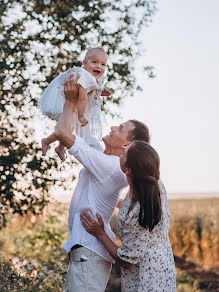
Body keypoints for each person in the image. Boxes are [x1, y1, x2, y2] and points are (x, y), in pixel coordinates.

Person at [54, 78, 151, 292]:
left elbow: (63, 132)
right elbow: (79, 125)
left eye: (121, 128)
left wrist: (70, 101)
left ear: (126, 145)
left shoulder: (109, 166)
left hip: (89, 252)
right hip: (87, 252)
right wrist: (88, 96)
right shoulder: (100, 154)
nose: (113, 126)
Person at [80, 141, 176, 291]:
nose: (123, 146)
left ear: (128, 170)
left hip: (146, 281)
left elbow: (126, 260)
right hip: (162, 270)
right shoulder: (154, 185)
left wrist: (100, 233)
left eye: (126, 152)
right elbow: (130, 205)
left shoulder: (139, 214)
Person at [38, 47, 110, 161]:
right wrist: (81, 116)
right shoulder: (85, 76)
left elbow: (89, 90)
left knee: (70, 127)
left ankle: (60, 148)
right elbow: (82, 98)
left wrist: (100, 91)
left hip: (73, 104)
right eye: (94, 62)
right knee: (66, 127)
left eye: (103, 64)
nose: (98, 66)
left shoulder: (90, 77)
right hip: (67, 101)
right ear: (85, 63)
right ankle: (46, 141)